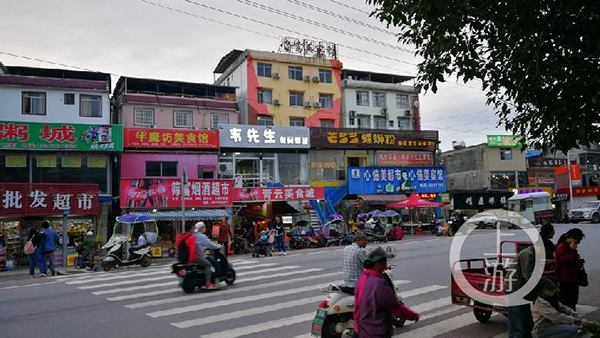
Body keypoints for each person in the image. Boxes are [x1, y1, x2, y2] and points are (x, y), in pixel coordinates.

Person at [354, 247, 419, 338]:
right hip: (375, 332)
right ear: (378, 264)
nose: (385, 265)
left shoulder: (362, 279)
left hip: (362, 330)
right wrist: (413, 315)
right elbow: (395, 307)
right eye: (384, 262)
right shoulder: (379, 284)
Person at [505, 244, 538, 338]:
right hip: (515, 291)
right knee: (517, 324)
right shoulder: (528, 254)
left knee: (527, 322)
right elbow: (528, 275)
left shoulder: (532, 253)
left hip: (521, 291)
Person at [555, 228, 585, 311]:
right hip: (565, 279)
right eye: (578, 240)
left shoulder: (569, 247)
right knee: (568, 302)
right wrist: (572, 250)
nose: (578, 242)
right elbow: (567, 262)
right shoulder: (562, 247)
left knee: (573, 301)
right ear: (572, 238)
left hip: (573, 278)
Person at [194, 222, 221, 290]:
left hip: (194, 255)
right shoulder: (201, 236)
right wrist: (217, 246)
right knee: (216, 265)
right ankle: (213, 282)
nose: (205, 228)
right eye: (204, 227)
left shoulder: (194, 235)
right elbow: (209, 244)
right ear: (201, 228)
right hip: (200, 256)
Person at [341, 231, 368, 295]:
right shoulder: (361, 251)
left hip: (347, 283)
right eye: (365, 240)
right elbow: (370, 264)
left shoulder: (346, 248)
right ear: (358, 240)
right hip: (357, 284)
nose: (366, 243)